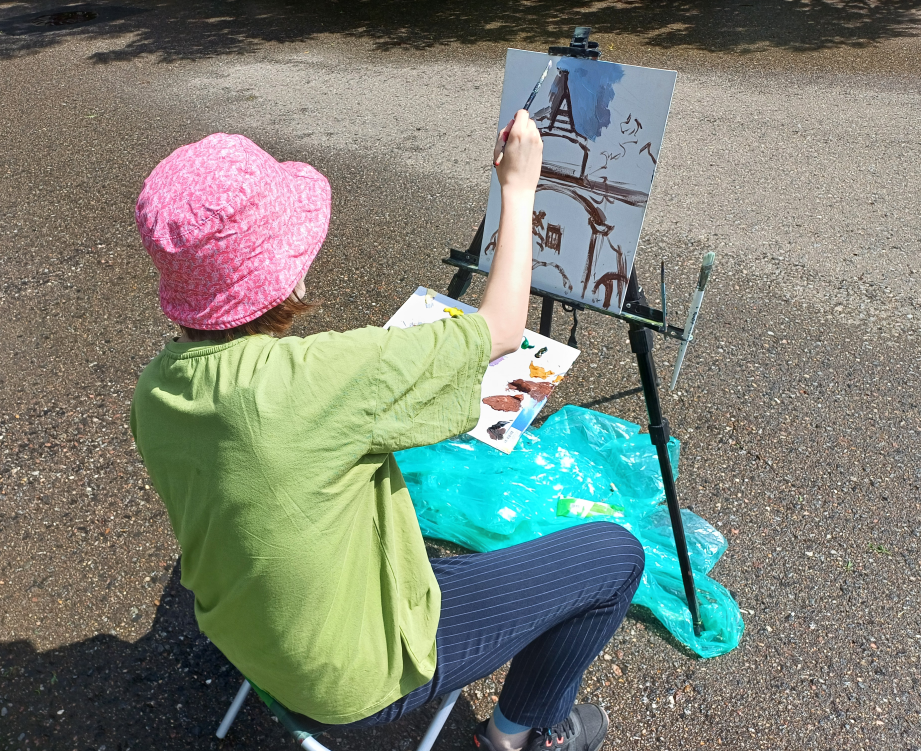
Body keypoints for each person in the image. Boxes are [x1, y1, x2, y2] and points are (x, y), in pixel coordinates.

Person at [130, 113, 644, 751]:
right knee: (616, 557)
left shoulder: (155, 389)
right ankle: (513, 738)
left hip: (248, 643)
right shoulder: (315, 377)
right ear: (280, 274)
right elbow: (503, 328)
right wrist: (519, 189)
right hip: (350, 679)